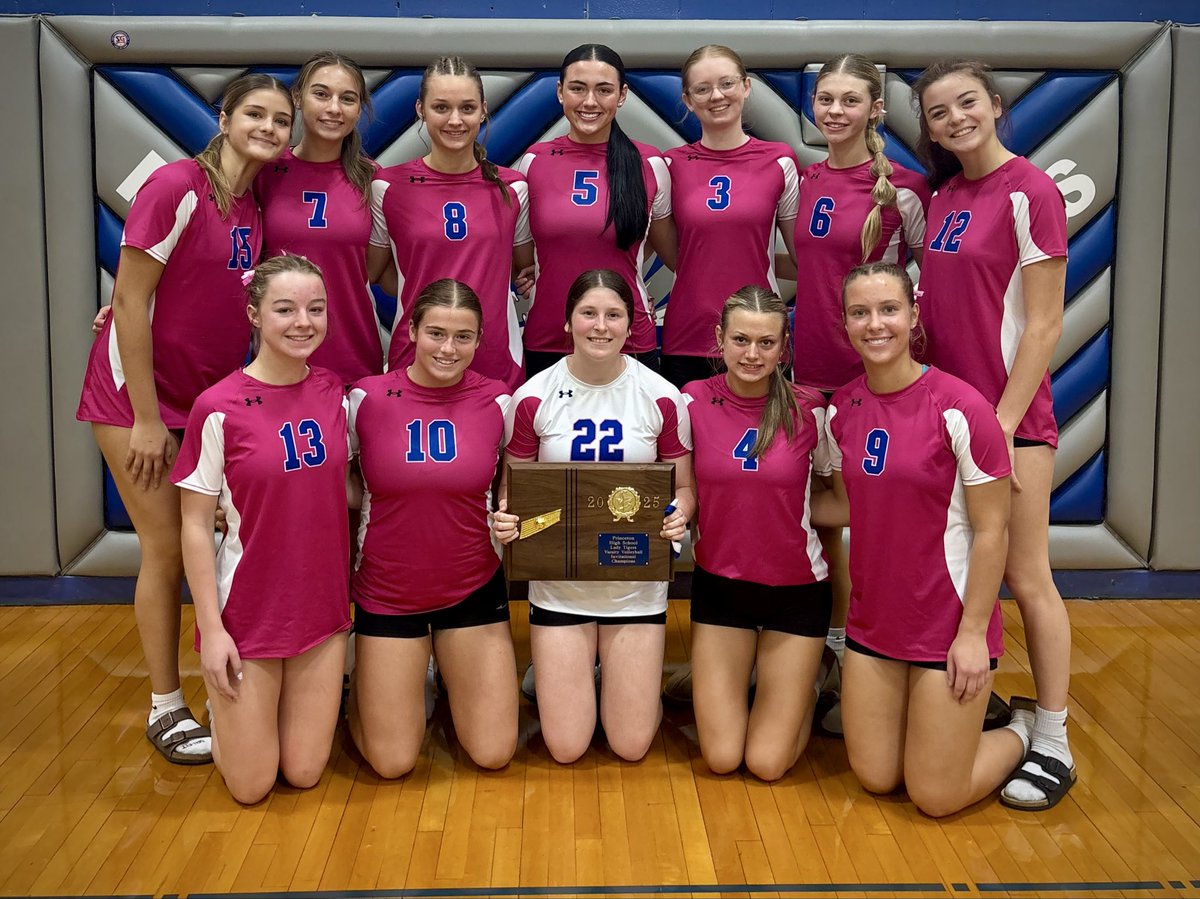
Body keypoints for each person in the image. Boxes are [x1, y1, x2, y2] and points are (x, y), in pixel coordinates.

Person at [77, 74, 294, 765]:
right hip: (134, 399)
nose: (268, 127)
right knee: (167, 547)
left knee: (216, 540)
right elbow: (129, 301)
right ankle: (165, 705)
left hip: (202, 401)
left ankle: (229, 679)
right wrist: (147, 418)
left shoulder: (254, 204)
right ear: (223, 118)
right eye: (254, 113)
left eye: (280, 119)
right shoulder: (174, 186)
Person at [914, 59, 1075, 811]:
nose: (955, 119)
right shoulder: (943, 195)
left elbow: (1044, 324)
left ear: (997, 104)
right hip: (944, 421)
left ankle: (1054, 737)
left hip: (1011, 424)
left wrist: (1001, 427)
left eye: (967, 103)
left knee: (1027, 573)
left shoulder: (1031, 190)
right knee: (957, 564)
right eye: (938, 112)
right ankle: (984, 702)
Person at [822, 262, 1031, 817]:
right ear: (844, 323)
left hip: (947, 625)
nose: (875, 324)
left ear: (914, 315)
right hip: (875, 623)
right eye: (860, 313)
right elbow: (844, 506)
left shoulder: (962, 408)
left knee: (936, 796)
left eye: (889, 309)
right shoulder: (841, 408)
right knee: (876, 777)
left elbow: (992, 531)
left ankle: (1023, 731)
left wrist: (972, 635)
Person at [779, 54, 932, 723]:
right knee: (823, 522)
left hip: (874, 384)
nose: (835, 111)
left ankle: (894, 652)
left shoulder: (905, 190)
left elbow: (929, 287)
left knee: (880, 522)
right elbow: (802, 266)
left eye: (850, 100)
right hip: (809, 378)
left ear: (876, 109)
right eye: (825, 99)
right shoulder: (804, 180)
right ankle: (837, 652)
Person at [492, 269, 694, 764]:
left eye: (613, 315)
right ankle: (570, 671)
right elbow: (513, 491)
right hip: (560, 587)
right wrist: (506, 519)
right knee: (566, 748)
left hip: (635, 587)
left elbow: (683, 488)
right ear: (568, 322)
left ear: (631, 324)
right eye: (588, 313)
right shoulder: (532, 397)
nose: (600, 326)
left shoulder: (662, 396)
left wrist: (679, 514)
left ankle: (604, 674)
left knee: (630, 745)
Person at [174, 255, 351, 804]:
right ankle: (226, 715)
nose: (303, 322)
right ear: (254, 314)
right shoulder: (217, 407)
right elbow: (195, 524)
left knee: (304, 772)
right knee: (251, 787)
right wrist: (211, 632)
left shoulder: (334, 391)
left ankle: (254, 720)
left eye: (316, 309)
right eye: (285, 309)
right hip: (248, 613)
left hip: (321, 608)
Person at [346, 279, 518, 778]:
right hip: (388, 592)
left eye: (463, 337)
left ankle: (444, 670)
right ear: (412, 331)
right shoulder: (366, 398)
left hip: (472, 588)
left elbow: (512, 485)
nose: (448, 349)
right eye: (436, 334)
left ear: (480, 338)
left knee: (493, 752)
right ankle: (371, 678)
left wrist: (510, 512)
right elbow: (332, 480)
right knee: (392, 763)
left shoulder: (499, 402)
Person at [682, 287, 833, 780]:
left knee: (767, 764)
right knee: (722, 758)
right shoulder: (691, 400)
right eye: (741, 340)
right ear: (719, 339)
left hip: (796, 592)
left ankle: (814, 678)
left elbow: (837, 496)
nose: (752, 354)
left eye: (766, 343)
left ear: (784, 347)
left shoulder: (810, 408)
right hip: (720, 589)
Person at [368, 56, 531, 390]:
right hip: (414, 356)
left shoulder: (513, 188)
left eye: (467, 108)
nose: (455, 120)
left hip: (495, 359)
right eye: (441, 107)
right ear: (421, 109)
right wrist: (423, 289)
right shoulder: (388, 186)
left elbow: (522, 268)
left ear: (483, 110)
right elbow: (377, 273)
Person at [513, 44, 676, 377]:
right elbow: (524, 255)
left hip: (627, 340)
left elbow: (667, 250)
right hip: (548, 338)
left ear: (622, 95)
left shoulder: (649, 163)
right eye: (577, 88)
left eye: (603, 90)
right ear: (560, 92)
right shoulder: (534, 161)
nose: (589, 102)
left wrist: (618, 267)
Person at [659, 45, 800, 389]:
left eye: (726, 83)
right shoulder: (670, 164)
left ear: (746, 86)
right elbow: (674, 254)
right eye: (702, 89)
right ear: (688, 100)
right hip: (688, 335)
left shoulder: (779, 160)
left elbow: (803, 256)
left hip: (760, 336)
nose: (717, 96)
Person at [255, 52, 384, 385]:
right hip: (277, 361)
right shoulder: (264, 172)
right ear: (298, 97)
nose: (334, 108)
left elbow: (382, 270)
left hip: (354, 357)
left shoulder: (373, 180)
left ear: (360, 109)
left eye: (348, 99)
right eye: (322, 94)